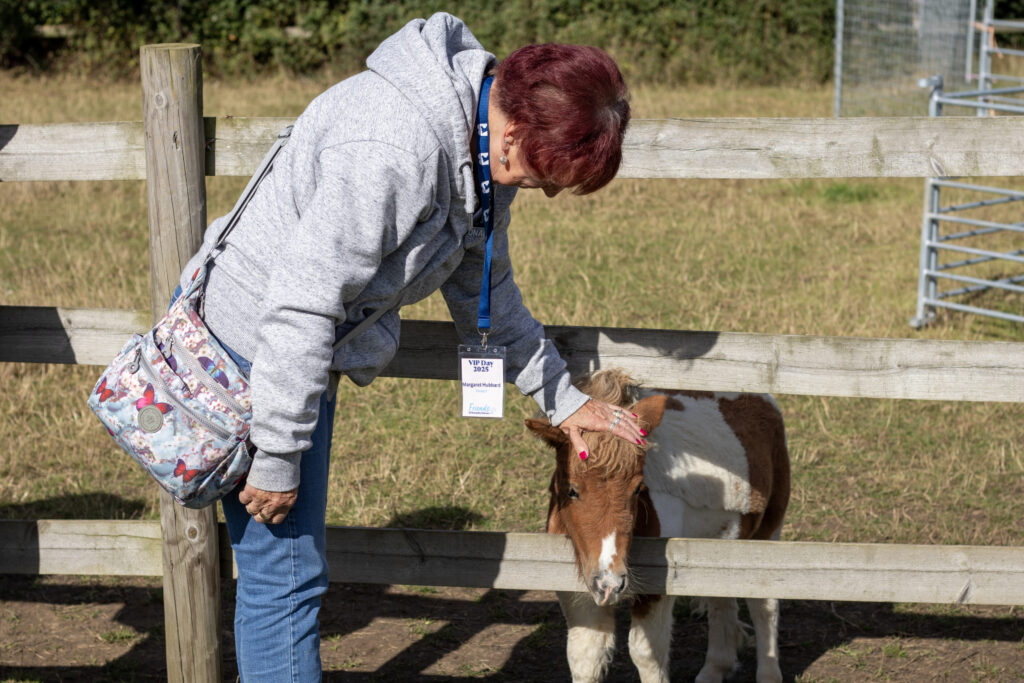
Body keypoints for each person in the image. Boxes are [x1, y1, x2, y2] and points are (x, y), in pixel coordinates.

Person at [176, 12, 643, 681]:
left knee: (286, 571)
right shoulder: (395, 145)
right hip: (256, 354)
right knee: (285, 576)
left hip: (300, 355)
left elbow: (490, 291)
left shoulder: (481, 151)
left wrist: (564, 401)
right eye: (539, 176)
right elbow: (303, 298)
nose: (535, 190)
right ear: (513, 132)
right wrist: (277, 450)